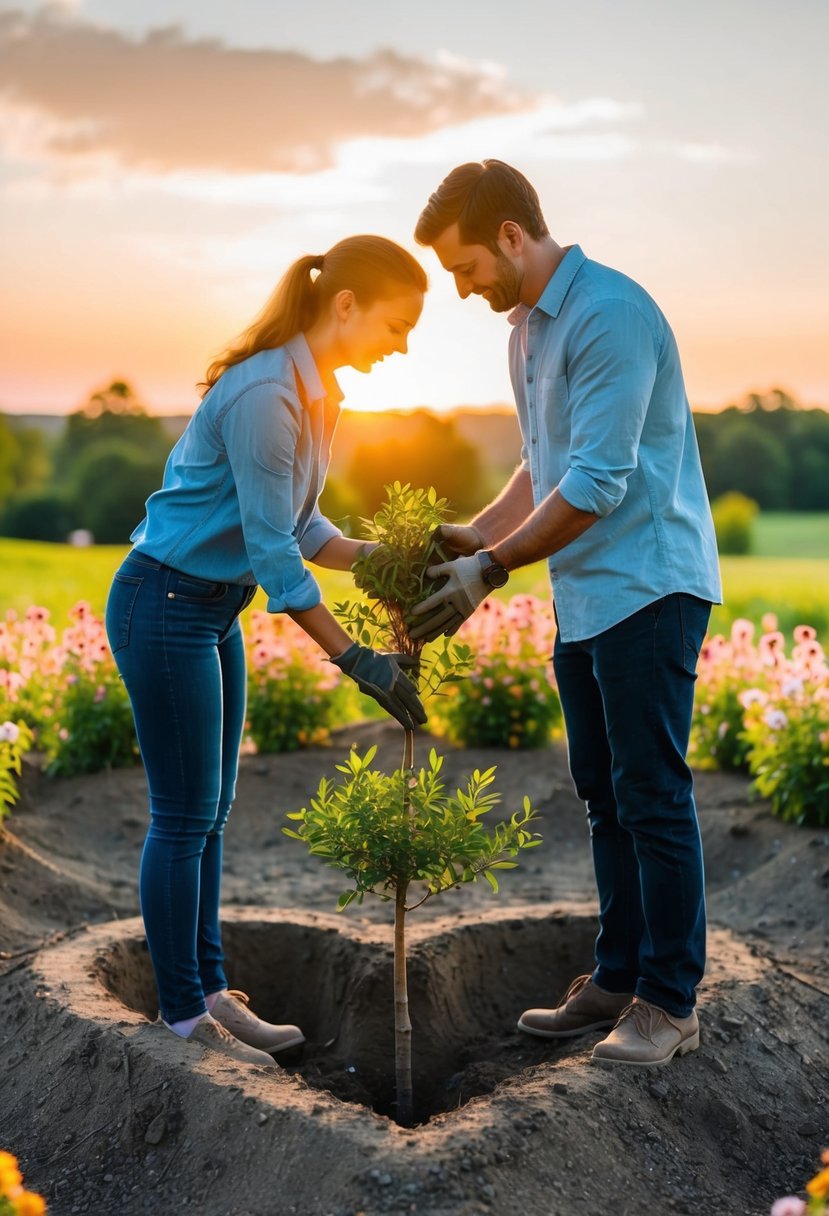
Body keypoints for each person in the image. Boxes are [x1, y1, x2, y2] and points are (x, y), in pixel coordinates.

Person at [410, 161, 722, 1067]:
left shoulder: (611, 315)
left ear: (511, 235)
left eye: (464, 267)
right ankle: (618, 977)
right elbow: (543, 464)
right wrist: (476, 531)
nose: (462, 289)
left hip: (649, 587)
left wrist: (490, 569)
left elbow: (596, 480)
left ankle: (670, 1004)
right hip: (585, 596)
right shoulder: (526, 333)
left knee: (652, 798)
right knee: (602, 796)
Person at [105, 235, 428, 1068]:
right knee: (181, 818)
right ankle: (184, 1016)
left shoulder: (312, 393)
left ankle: (209, 991)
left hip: (210, 610)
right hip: (164, 602)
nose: (402, 345)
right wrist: (355, 658)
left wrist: (388, 557)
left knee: (209, 814)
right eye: (397, 324)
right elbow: (275, 554)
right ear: (346, 305)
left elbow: (305, 528)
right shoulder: (263, 395)